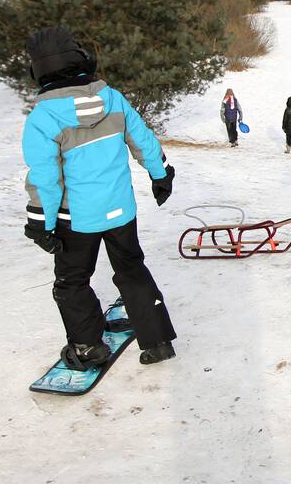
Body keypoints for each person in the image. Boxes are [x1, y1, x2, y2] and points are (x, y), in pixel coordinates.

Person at [22, 26, 178, 369]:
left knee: (72, 281)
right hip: (120, 209)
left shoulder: (43, 118)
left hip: (75, 220)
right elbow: (143, 139)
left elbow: (45, 180)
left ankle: (88, 347)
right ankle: (158, 340)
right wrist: (160, 174)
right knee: (131, 268)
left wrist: (41, 224)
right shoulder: (113, 99)